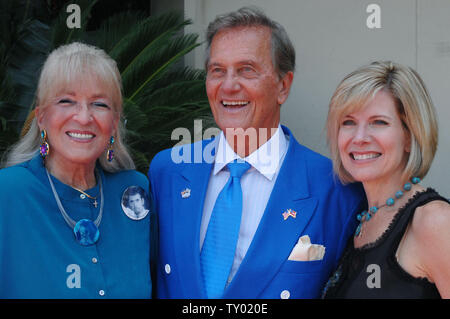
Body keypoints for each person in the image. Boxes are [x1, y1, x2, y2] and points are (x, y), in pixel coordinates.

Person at [148, 7, 365, 299]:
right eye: (217, 71)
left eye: (246, 70)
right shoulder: (168, 172)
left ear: (283, 86)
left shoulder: (336, 188)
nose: (228, 86)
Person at [0, 42, 152, 298]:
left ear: (114, 122)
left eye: (99, 104)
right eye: (66, 101)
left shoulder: (135, 191)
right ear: (41, 117)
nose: (83, 117)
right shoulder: (8, 193)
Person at [322, 61, 450, 298]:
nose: (359, 138)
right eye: (348, 122)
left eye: (378, 122)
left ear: (411, 136)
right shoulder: (356, 219)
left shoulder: (435, 221)